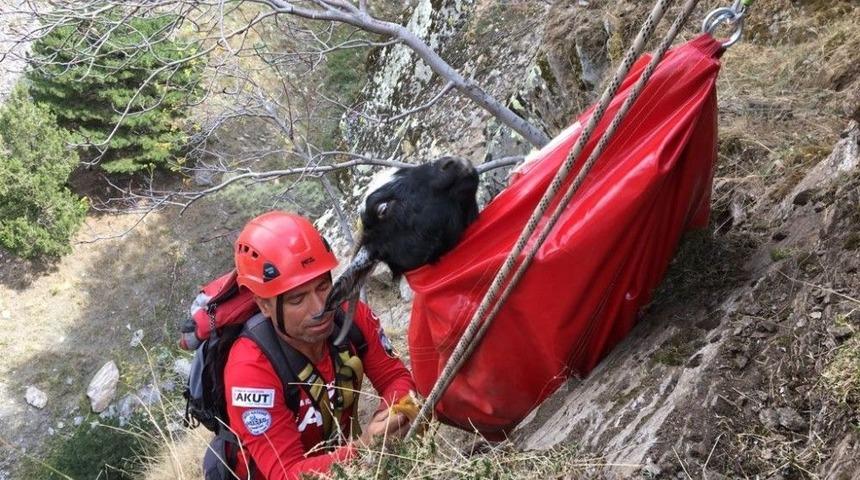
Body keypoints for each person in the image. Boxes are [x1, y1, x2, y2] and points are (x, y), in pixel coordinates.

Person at [223, 211, 416, 479]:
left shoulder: (352, 318)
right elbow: (285, 474)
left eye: (323, 287)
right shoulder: (251, 369)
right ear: (264, 305)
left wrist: (394, 415)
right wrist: (365, 447)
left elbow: (396, 377)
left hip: (339, 460)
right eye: (297, 299)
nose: (320, 308)